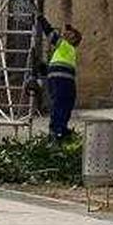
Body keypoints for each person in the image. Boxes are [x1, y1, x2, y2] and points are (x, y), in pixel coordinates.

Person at [38, 14, 82, 142]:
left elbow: (51, 34)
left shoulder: (65, 47)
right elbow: (51, 33)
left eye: (70, 34)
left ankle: (59, 129)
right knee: (62, 105)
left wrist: (43, 20)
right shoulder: (64, 48)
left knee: (63, 104)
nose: (65, 34)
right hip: (62, 82)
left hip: (62, 81)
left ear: (73, 39)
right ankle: (57, 131)